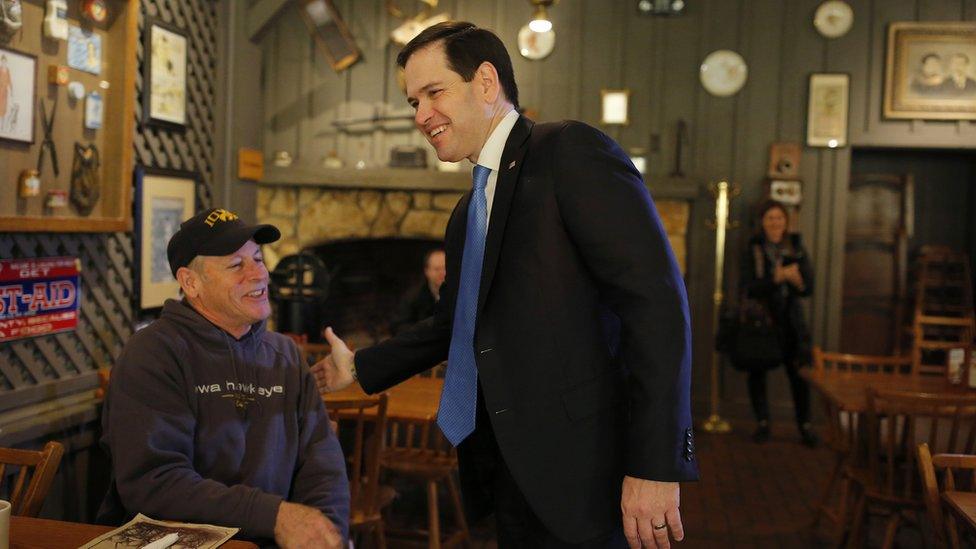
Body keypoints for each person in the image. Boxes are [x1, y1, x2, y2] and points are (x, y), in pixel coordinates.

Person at [312, 21, 697, 549]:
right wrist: (358, 366)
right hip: (508, 472)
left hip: (588, 476)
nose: (421, 115)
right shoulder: (466, 210)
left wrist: (655, 464)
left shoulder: (570, 152)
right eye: (414, 102)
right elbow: (453, 325)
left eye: (434, 92)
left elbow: (656, 306)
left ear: (486, 82)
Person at [97, 208, 349, 548]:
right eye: (236, 265)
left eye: (258, 259)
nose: (258, 274)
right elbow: (154, 483)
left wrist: (329, 530)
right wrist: (274, 516)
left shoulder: (285, 354)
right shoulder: (153, 353)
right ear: (191, 282)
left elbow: (321, 462)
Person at [739, 200, 817, 447]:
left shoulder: (796, 246)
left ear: (786, 222)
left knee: (798, 375)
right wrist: (776, 278)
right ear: (762, 222)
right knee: (758, 372)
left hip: (791, 322)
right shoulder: (754, 248)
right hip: (762, 321)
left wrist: (797, 280)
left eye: (779, 218)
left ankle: (805, 426)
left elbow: (808, 288)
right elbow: (748, 287)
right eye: (770, 218)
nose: (775, 223)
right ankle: (762, 423)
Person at [391, 248, 446, 334]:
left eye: (445, 268)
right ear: (427, 271)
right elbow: (399, 326)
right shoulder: (413, 297)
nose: (442, 273)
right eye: (437, 269)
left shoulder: (460, 294)